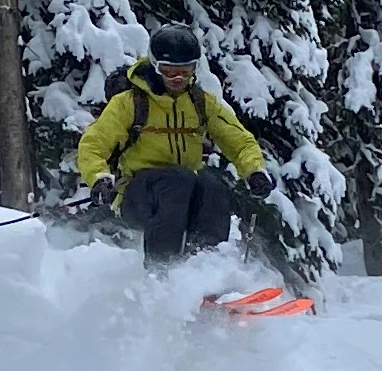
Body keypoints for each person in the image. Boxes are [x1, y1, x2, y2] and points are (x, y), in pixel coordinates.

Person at [76, 25, 273, 263]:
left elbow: (239, 140)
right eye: (169, 72)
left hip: (185, 193)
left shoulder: (200, 102)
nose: (178, 79)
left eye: (185, 71)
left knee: (213, 186)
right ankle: (162, 272)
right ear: (155, 67)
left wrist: (254, 171)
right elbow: (93, 144)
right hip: (138, 195)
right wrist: (99, 178)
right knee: (177, 180)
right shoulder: (130, 103)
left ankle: (203, 267)